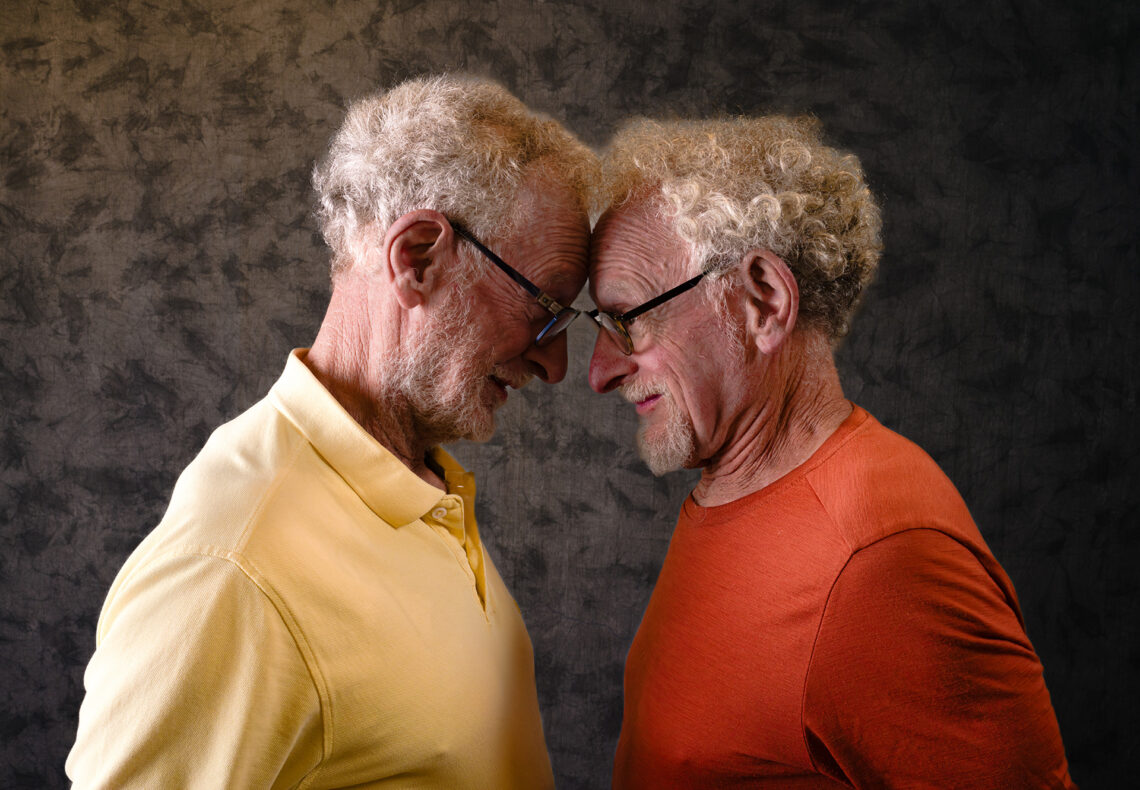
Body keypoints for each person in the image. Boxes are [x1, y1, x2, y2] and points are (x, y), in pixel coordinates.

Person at [66, 75, 596, 789]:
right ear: (417, 258)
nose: (555, 364)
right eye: (543, 307)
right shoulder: (234, 571)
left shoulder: (419, 484)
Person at [586, 115, 1076, 788]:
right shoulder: (735, 482)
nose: (599, 371)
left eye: (629, 320)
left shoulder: (881, 563)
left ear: (763, 302)